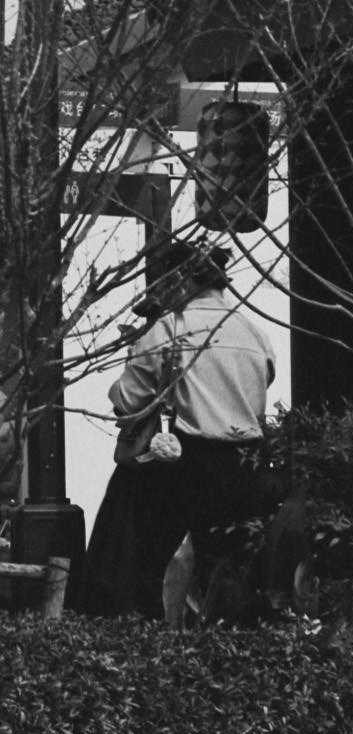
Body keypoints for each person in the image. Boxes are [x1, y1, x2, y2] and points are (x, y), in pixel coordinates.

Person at [82, 234, 279, 618]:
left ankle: (127, 616)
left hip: (185, 464)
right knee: (230, 564)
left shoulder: (170, 328)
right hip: (244, 468)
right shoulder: (255, 334)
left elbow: (127, 400)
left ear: (181, 280)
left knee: (130, 526)